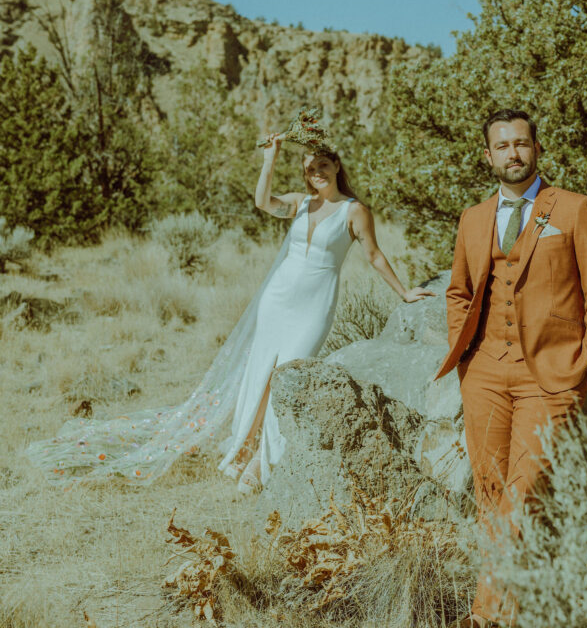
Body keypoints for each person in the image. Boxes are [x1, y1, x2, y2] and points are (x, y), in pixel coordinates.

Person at [26, 134, 431, 490]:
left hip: (313, 305)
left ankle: (262, 462)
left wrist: (404, 293)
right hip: (277, 299)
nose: (316, 174)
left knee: (288, 370)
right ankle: (245, 449)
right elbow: (261, 201)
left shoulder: (354, 211)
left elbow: (375, 256)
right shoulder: (300, 203)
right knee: (260, 372)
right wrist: (269, 158)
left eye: (322, 165)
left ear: (337, 165)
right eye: (309, 169)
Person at [436, 109, 587, 628]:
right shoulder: (472, 218)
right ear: (486, 155)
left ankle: (480, 618)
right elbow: (459, 293)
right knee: (491, 493)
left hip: (551, 375)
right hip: (486, 372)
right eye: (502, 146)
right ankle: (506, 624)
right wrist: (467, 360)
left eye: (522, 144)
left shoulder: (574, 210)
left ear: (536, 149)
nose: (513, 153)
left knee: (524, 491)